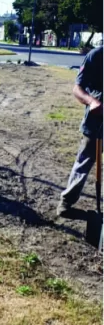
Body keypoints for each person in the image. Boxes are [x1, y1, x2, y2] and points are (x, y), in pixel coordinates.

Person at [58, 45, 103, 217]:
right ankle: (66, 204)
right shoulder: (97, 55)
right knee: (84, 163)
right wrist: (91, 101)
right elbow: (78, 88)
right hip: (97, 120)